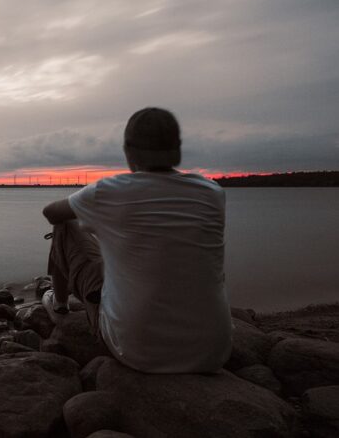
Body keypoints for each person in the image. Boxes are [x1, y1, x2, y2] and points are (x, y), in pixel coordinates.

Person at [41, 107, 233, 373]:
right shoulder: (212, 192)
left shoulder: (109, 191)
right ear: (176, 149)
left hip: (136, 350)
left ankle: (59, 307)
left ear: (129, 151)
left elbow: (50, 213)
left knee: (64, 225)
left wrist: (94, 220)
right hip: (212, 351)